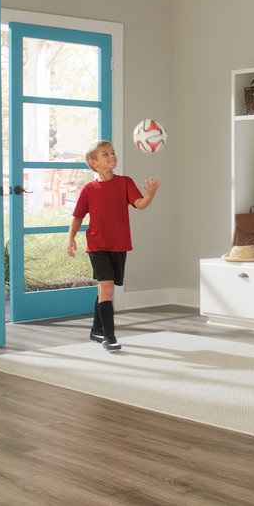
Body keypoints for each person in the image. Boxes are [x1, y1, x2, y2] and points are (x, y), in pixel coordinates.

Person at [66, 140, 160, 351]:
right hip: (97, 245)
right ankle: (109, 336)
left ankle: (95, 330)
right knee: (107, 288)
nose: (112, 157)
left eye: (113, 153)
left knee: (105, 288)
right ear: (93, 162)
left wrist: (150, 195)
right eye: (105, 154)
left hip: (119, 245)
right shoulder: (89, 189)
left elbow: (139, 204)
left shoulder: (125, 182)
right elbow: (78, 216)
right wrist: (70, 238)